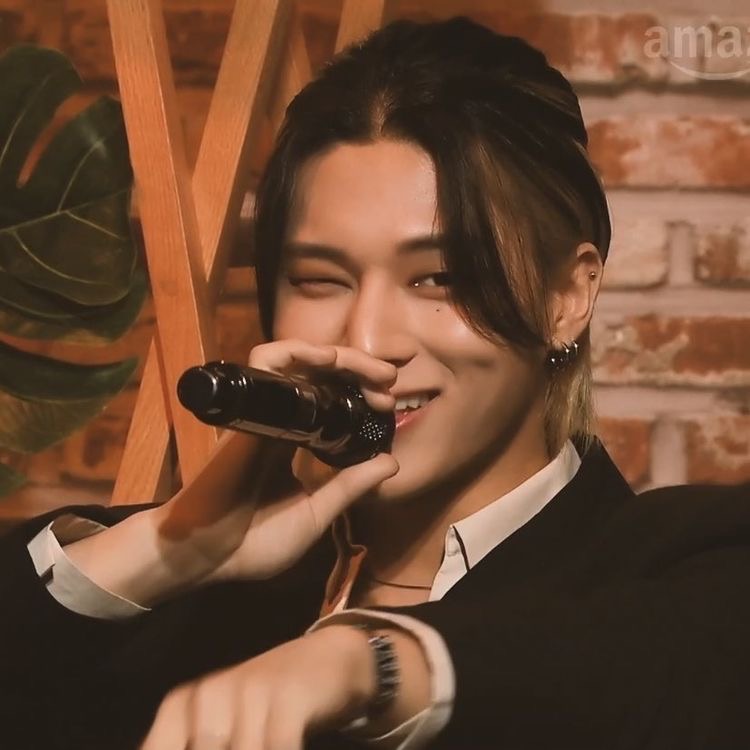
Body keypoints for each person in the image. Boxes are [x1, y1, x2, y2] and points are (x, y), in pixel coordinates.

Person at [1, 16, 748, 750]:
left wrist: (370, 664)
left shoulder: (677, 573)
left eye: (439, 278)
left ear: (567, 298)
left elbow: (666, 666)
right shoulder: (190, 597)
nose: (366, 341)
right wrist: (166, 550)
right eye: (319, 279)